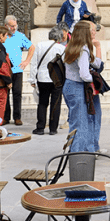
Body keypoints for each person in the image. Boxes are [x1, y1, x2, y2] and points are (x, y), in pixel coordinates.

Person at [62, 20, 103, 152]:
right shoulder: (83, 49)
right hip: (77, 86)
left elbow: (97, 63)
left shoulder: (71, 46)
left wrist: (97, 48)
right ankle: (78, 154)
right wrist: (94, 81)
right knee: (81, 123)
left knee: (76, 121)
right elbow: (84, 74)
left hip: (68, 85)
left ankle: (81, 150)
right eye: (90, 31)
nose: (93, 33)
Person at [31, 26, 67, 136]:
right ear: (59, 38)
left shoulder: (40, 45)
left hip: (42, 78)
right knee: (55, 103)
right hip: (57, 79)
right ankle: (53, 128)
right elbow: (65, 65)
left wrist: (32, 79)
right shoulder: (61, 48)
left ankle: (40, 127)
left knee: (42, 103)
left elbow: (34, 64)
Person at [1, 15, 35, 126]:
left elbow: (32, 47)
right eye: (11, 26)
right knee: (5, 93)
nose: (14, 28)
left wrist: (26, 61)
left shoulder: (20, 36)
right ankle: (5, 117)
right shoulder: (1, 36)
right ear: (6, 26)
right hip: (4, 70)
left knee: (17, 93)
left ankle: (17, 117)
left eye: (15, 25)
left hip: (17, 69)